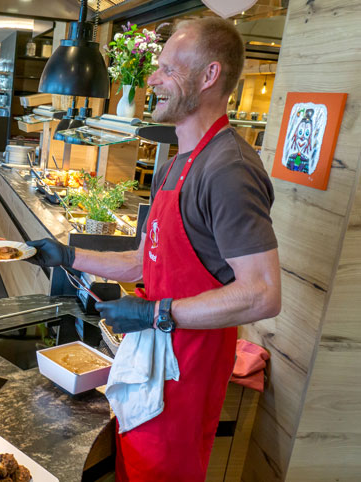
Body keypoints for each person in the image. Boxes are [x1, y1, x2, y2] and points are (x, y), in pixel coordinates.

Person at [27, 18, 281, 482]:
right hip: (154, 362)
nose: (151, 79)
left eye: (166, 69)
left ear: (209, 76)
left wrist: (154, 313)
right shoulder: (178, 164)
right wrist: (67, 256)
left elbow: (263, 293)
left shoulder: (229, 168)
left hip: (187, 373)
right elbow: (147, 259)